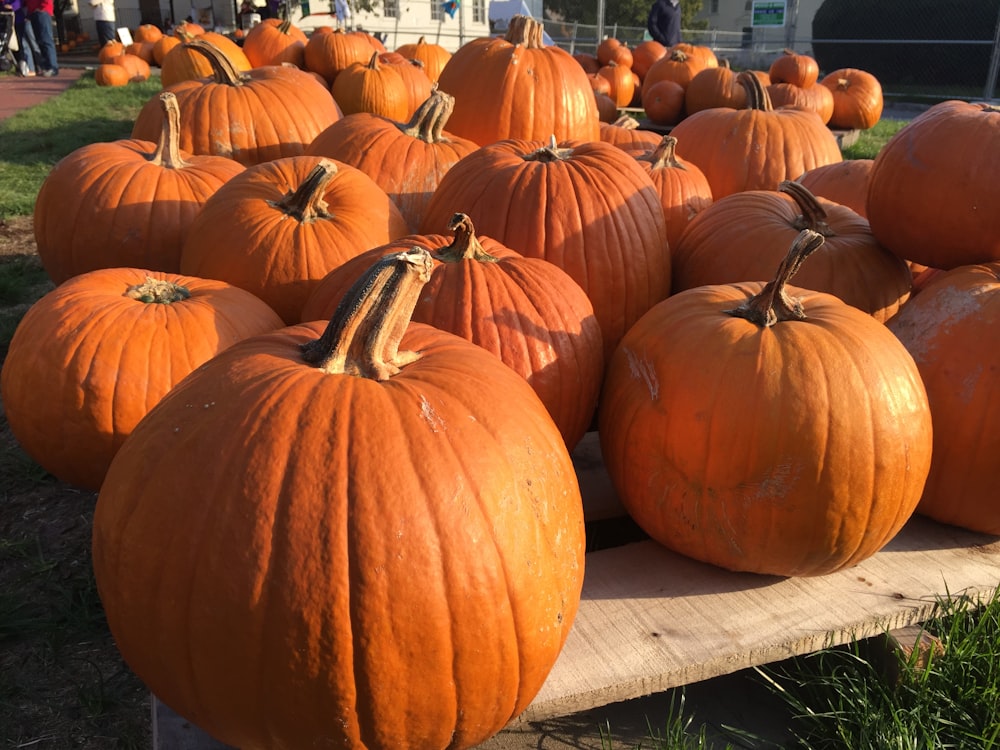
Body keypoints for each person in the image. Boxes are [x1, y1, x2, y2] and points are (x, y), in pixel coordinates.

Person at [25, 0, 57, 76]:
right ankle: (46, 67)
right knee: (40, 41)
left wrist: (42, 7)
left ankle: (52, 67)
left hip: (42, 11)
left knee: (46, 40)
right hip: (33, 12)